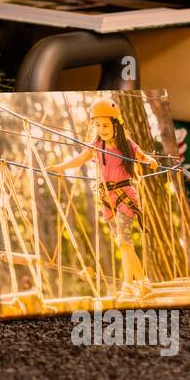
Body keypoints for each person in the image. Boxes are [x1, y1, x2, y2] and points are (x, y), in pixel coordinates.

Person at [45, 97, 158, 300]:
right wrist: (60, 167)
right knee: (123, 243)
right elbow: (79, 159)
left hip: (126, 196)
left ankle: (141, 283)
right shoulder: (96, 146)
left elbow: (142, 156)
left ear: (116, 124)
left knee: (125, 242)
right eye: (98, 125)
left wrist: (151, 161)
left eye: (105, 125)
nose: (102, 129)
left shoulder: (127, 145)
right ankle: (131, 284)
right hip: (108, 200)